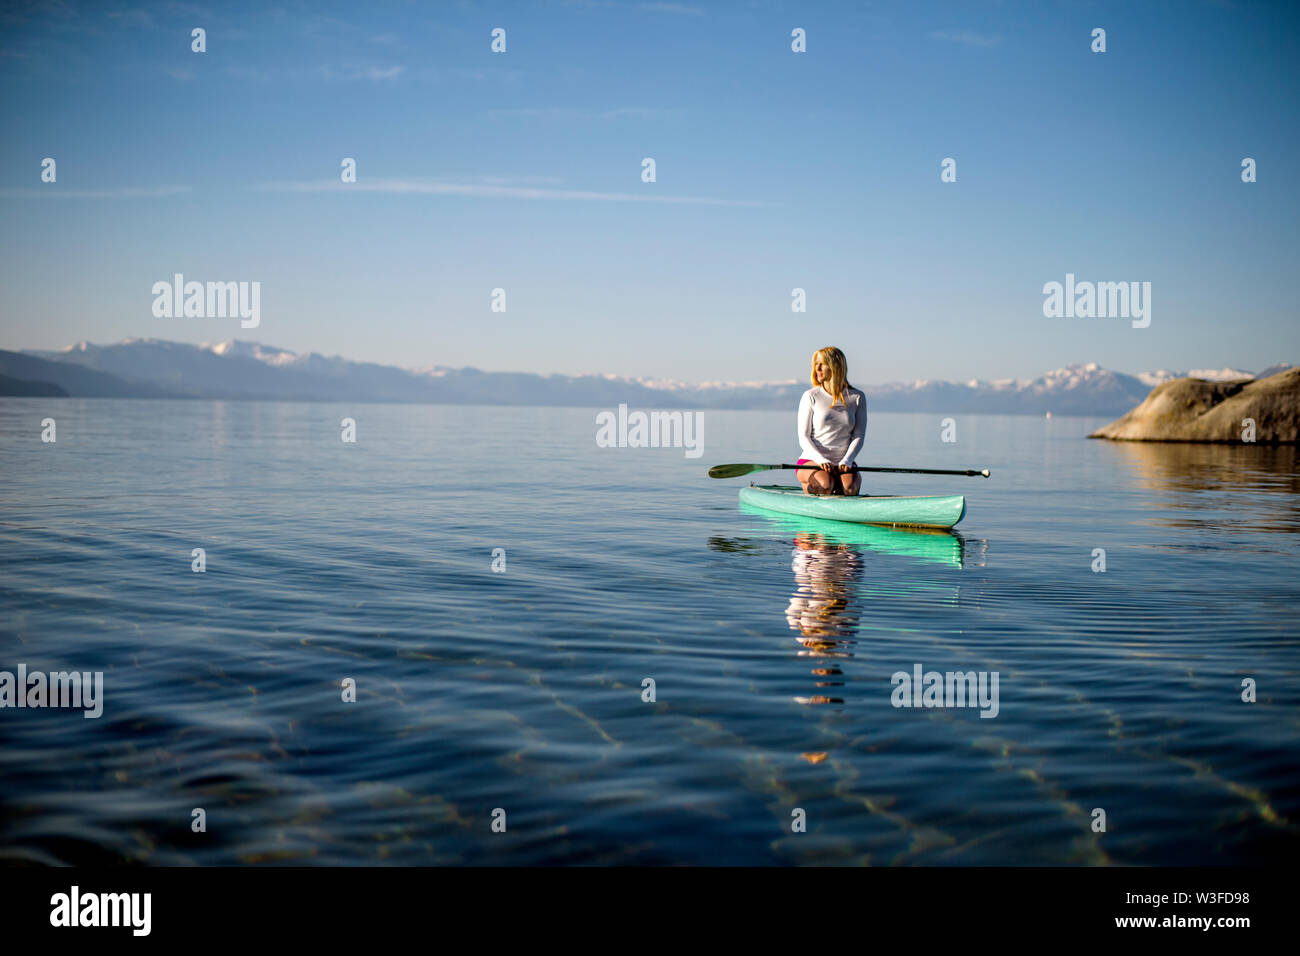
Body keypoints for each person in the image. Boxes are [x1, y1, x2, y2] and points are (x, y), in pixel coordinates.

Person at [795, 346, 867, 496]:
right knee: (825, 484)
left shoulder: (857, 397)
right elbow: (804, 437)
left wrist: (847, 460)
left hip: (843, 464)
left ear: (835, 367)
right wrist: (821, 460)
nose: (817, 369)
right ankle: (809, 488)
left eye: (822, 364)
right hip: (812, 461)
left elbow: (859, 436)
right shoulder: (810, 396)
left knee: (850, 488)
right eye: (816, 364)